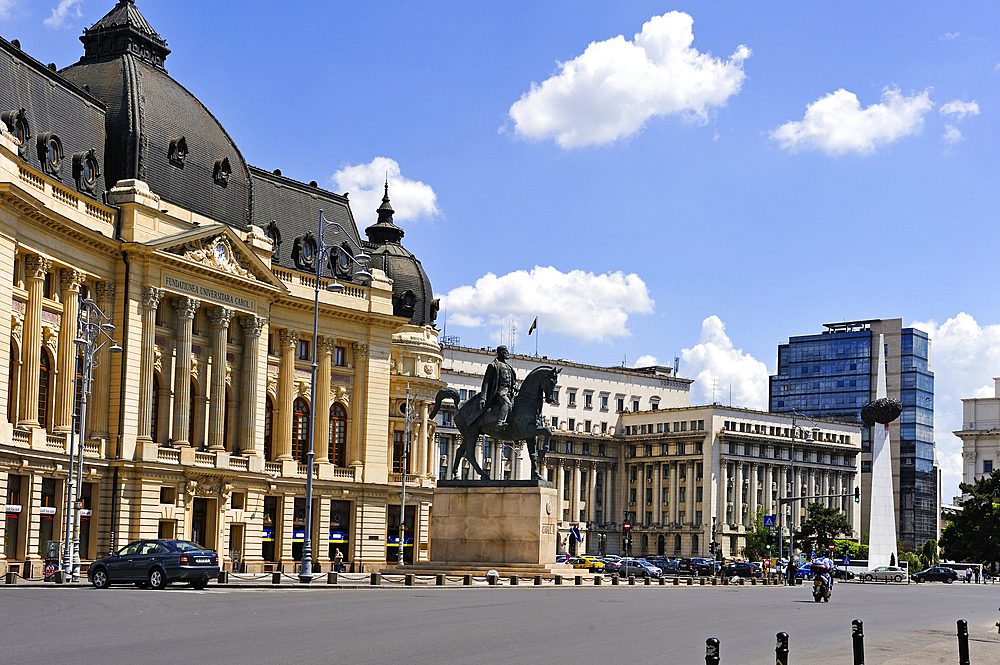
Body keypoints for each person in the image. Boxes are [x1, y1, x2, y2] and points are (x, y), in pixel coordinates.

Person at [478, 345, 517, 428]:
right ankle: (500, 423)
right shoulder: (493, 365)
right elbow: (486, 382)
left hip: (509, 392)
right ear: (502, 352)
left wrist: (515, 385)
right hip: (500, 392)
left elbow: (513, 381)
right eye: (506, 352)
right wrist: (483, 397)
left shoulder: (509, 367)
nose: (508, 354)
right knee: (507, 403)